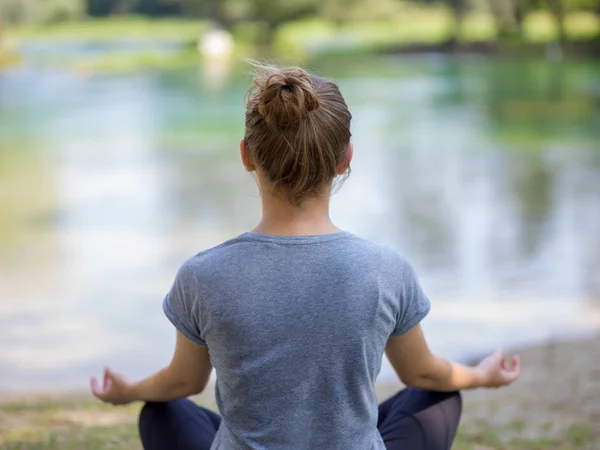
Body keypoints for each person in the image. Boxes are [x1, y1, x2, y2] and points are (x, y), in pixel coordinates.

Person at [91, 64, 521, 450]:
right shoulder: (385, 269)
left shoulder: (202, 275)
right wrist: (481, 374)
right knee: (436, 394)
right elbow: (425, 374)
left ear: (246, 156)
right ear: (345, 160)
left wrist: (127, 391)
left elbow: (183, 381)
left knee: (161, 410)